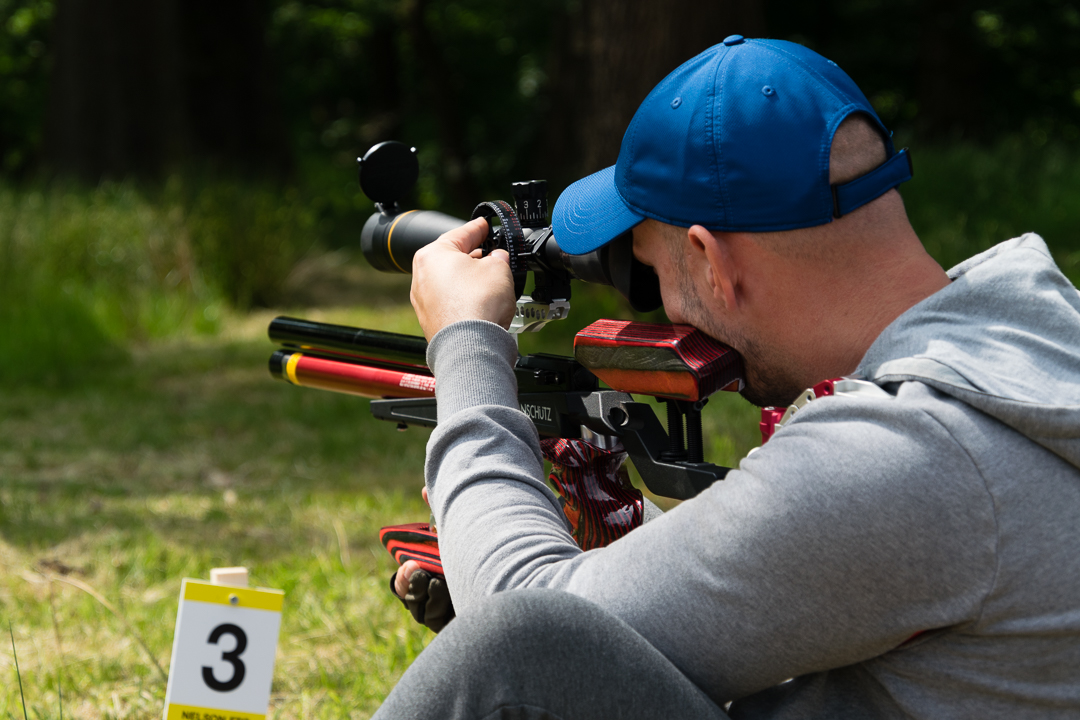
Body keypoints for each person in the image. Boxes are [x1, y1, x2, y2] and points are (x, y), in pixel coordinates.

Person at [374, 37, 1080, 719]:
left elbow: (522, 617)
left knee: (517, 652)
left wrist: (467, 347)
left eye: (652, 272)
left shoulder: (899, 456)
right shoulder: (1027, 345)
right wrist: (619, 526)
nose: (663, 306)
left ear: (711, 260)